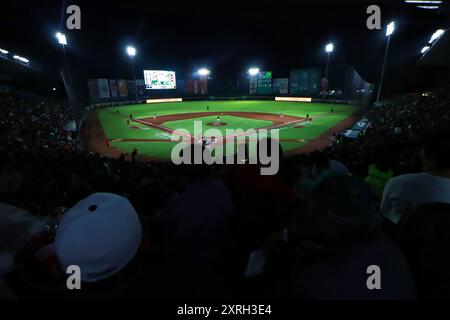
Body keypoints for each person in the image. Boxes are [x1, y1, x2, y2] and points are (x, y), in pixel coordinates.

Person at [381, 128, 450, 224]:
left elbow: (384, 213)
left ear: (432, 158)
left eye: (423, 152)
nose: (420, 155)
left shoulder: (399, 183)